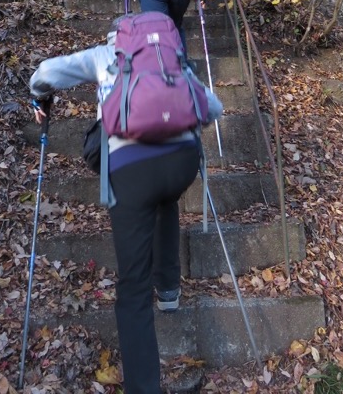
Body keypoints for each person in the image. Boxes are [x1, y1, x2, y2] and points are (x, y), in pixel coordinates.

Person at [29, 22, 223, 394]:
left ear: (117, 38)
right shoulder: (173, 61)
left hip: (131, 169)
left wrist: (39, 95)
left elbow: (47, 73)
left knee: (133, 287)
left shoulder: (106, 56)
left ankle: (145, 387)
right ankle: (169, 291)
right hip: (181, 164)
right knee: (165, 197)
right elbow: (214, 107)